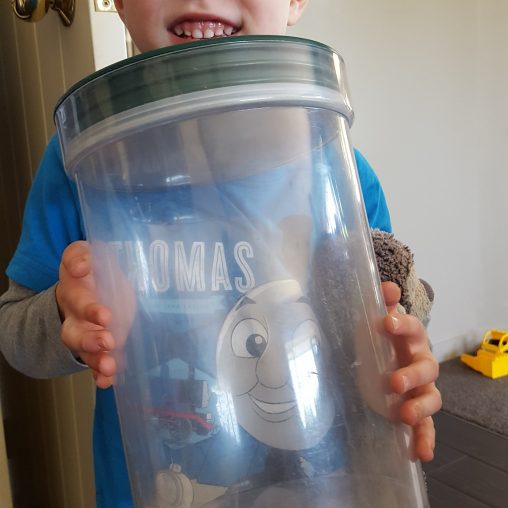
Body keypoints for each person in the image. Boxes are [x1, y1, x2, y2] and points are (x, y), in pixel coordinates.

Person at [0, 0, 441, 506]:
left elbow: (392, 303)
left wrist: (397, 358)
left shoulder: (338, 171)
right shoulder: (83, 159)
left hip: (321, 487)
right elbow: (15, 330)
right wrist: (68, 317)